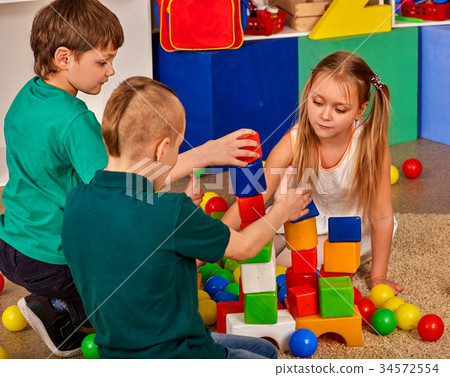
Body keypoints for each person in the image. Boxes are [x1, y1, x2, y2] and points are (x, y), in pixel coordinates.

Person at [0, 0, 259, 357]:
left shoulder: (25, 98)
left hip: (11, 243)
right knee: (138, 276)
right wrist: (207, 153)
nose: (110, 72)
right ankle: (62, 310)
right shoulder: (75, 122)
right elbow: (122, 188)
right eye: (102, 61)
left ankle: (59, 302)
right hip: (51, 258)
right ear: (64, 58)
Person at [61, 76, 311, 359]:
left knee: (264, 348)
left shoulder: (76, 202)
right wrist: (283, 209)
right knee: (272, 360)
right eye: (178, 148)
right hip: (180, 355)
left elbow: (141, 242)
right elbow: (245, 248)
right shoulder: (171, 209)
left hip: (116, 353)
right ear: (161, 148)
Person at [222, 51, 403, 295]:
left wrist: (378, 277)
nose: (325, 116)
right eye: (317, 103)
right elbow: (259, 192)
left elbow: (381, 216)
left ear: (360, 110)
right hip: (301, 222)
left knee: (288, 263)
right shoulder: (295, 140)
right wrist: (217, 238)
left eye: (339, 110)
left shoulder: (371, 147)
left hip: (349, 230)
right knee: (250, 247)